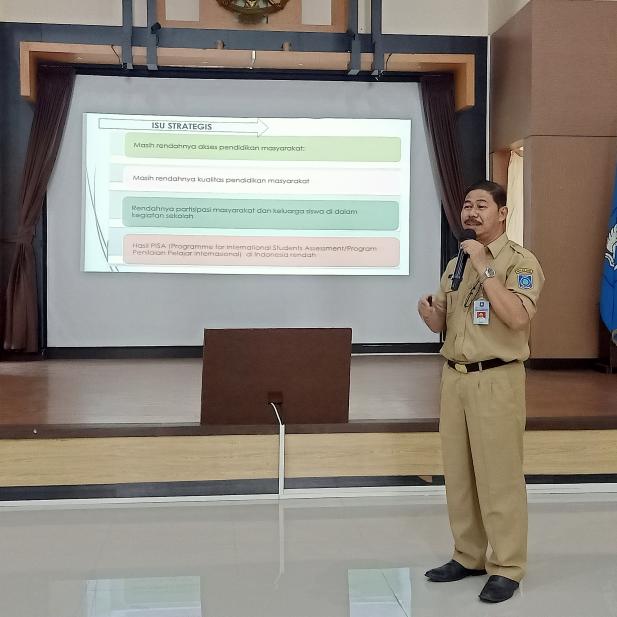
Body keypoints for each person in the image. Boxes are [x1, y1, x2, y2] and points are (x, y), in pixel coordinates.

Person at [417, 180, 544, 603]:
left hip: (496, 379)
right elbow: (445, 322)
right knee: (459, 474)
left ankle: (507, 566)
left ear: (502, 213)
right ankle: (468, 555)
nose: (471, 212)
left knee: (499, 476)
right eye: (467, 205)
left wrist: (485, 267)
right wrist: (430, 315)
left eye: (481, 206)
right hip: (455, 378)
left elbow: (517, 318)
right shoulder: (457, 262)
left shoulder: (520, 262)